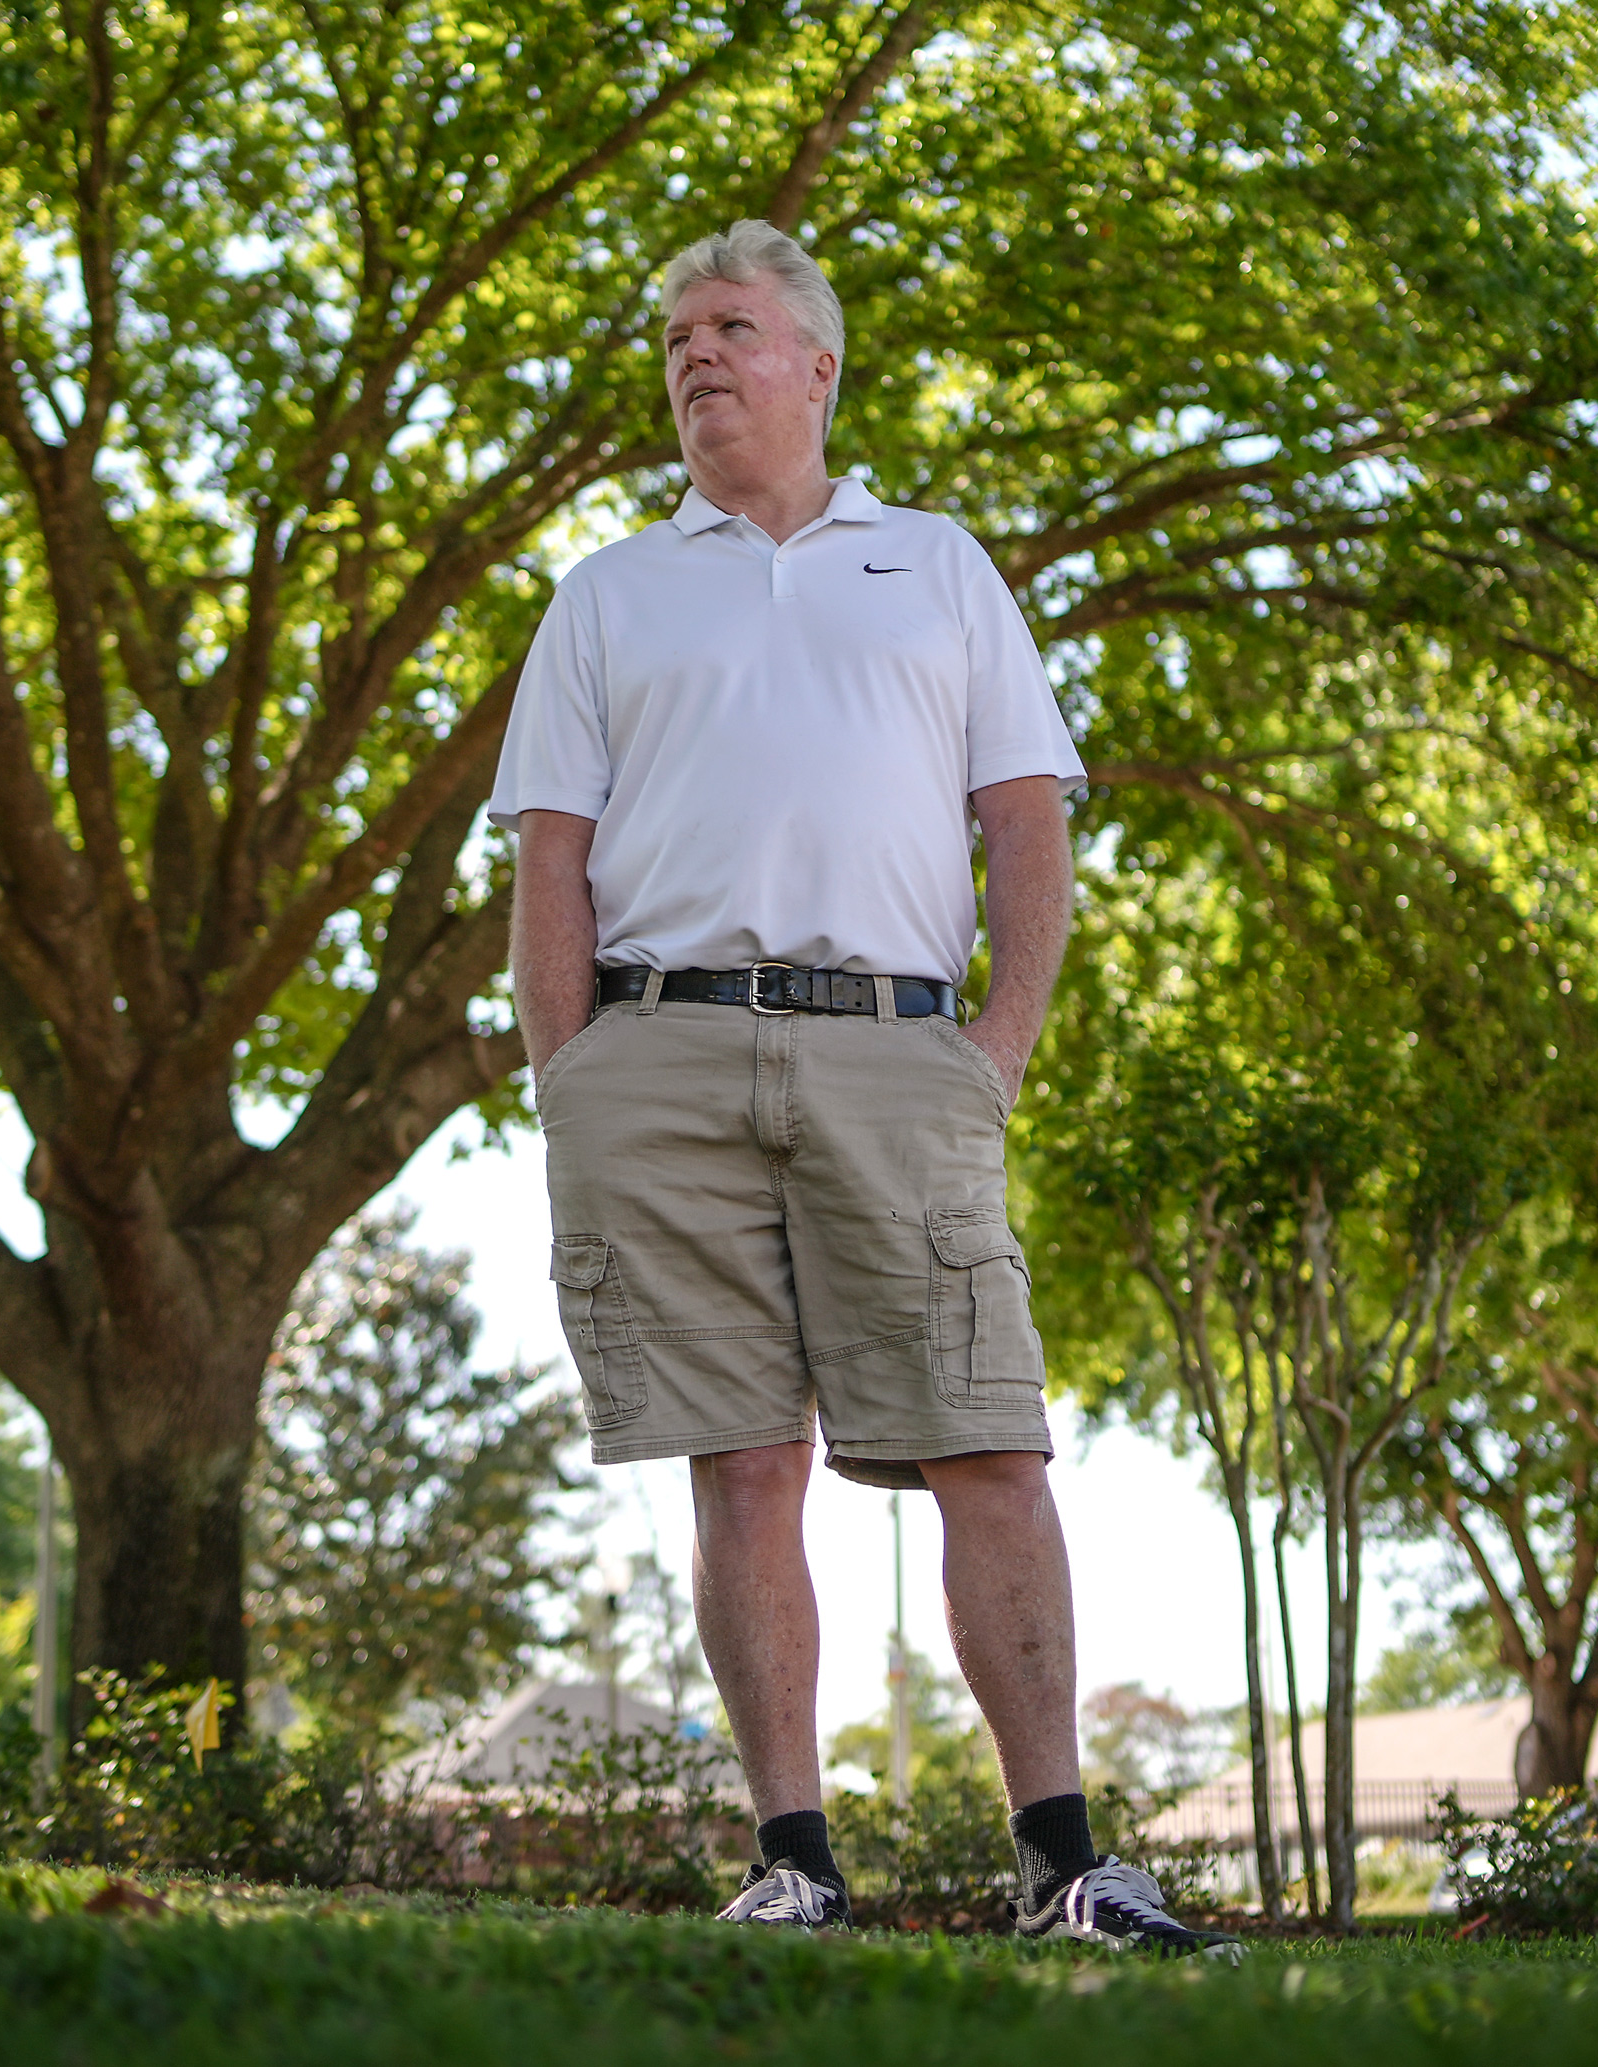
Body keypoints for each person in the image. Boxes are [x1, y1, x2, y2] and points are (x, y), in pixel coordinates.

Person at [488, 220, 1236, 1960]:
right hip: (655, 1052)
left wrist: (1001, 1051)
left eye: (731, 329)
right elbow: (552, 857)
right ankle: (795, 1862)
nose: (696, 359)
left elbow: (1027, 817)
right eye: (678, 339)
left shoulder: (943, 567)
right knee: (741, 1465)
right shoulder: (607, 592)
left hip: (898, 1048)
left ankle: (1063, 1860)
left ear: (817, 366)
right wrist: (567, 1077)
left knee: (986, 1436)